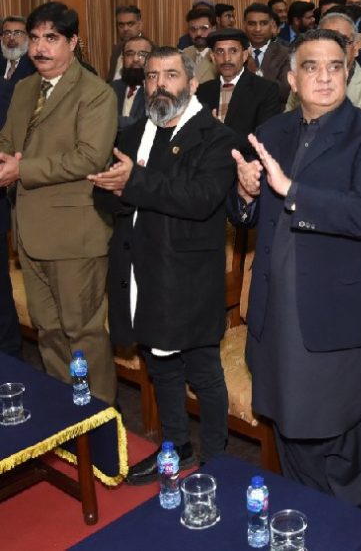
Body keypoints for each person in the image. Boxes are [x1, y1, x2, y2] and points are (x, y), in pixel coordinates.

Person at [229, 29, 361, 510]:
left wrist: (292, 190)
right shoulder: (271, 132)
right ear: (291, 79)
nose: (324, 77)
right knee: (290, 430)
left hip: (336, 321)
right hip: (276, 315)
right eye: (311, 67)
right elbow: (246, 216)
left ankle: (348, 533)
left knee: (342, 447)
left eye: (335, 66)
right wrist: (244, 193)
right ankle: (306, 524)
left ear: (348, 72)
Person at [90, 46, 236, 482]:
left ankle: (217, 461)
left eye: (170, 75)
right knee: (160, 364)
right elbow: (102, 194)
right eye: (152, 76)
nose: (159, 85)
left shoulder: (216, 137)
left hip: (187, 276)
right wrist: (119, 188)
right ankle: (177, 449)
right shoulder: (135, 132)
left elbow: (198, 199)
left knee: (203, 371)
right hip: (139, 269)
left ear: (191, 84)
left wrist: (133, 182)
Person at [0, 1, 117, 402]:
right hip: (30, 232)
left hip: (74, 236)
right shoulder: (25, 88)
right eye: (34, 38)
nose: (39, 48)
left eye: (51, 38)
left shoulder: (95, 93)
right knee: (48, 331)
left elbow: (89, 157)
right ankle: (68, 413)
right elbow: (9, 141)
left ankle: (100, 419)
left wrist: (21, 169)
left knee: (82, 332)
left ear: (73, 42)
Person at [0, 15, 36, 358]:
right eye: (6, 33)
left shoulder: (26, 79)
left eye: (17, 33)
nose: (11, 38)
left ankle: (9, 355)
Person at [286, 13, 361, 121]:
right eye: (327, 40)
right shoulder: (303, 81)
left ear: (355, 48)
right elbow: (287, 125)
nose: (335, 48)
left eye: (343, 40)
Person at [196, 28, 282, 152]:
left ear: (245, 55)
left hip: (245, 161)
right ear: (213, 57)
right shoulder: (202, 91)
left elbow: (265, 140)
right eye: (220, 52)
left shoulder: (266, 90)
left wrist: (219, 132)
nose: (226, 58)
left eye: (233, 51)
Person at [243, 3, 291, 103]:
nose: (257, 29)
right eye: (252, 24)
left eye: (263, 23)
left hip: (274, 111)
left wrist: (256, 73)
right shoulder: (236, 52)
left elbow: (284, 92)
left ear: (272, 26)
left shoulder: (285, 54)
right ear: (244, 26)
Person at [110, 35, 154, 130]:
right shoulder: (112, 89)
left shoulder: (158, 90)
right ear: (122, 59)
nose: (135, 59)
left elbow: (146, 124)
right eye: (130, 54)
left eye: (142, 54)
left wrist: (112, 121)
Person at [180, 8, 218, 84]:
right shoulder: (183, 54)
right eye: (193, 29)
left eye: (204, 28)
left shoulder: (220, 55)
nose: (198, 33)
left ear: (214, 29)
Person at [107, 5, 144, 81]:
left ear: (140, 25)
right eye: (121, 25)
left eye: (130, 24)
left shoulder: (150, 49)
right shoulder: (116, 49)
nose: (125, 29)